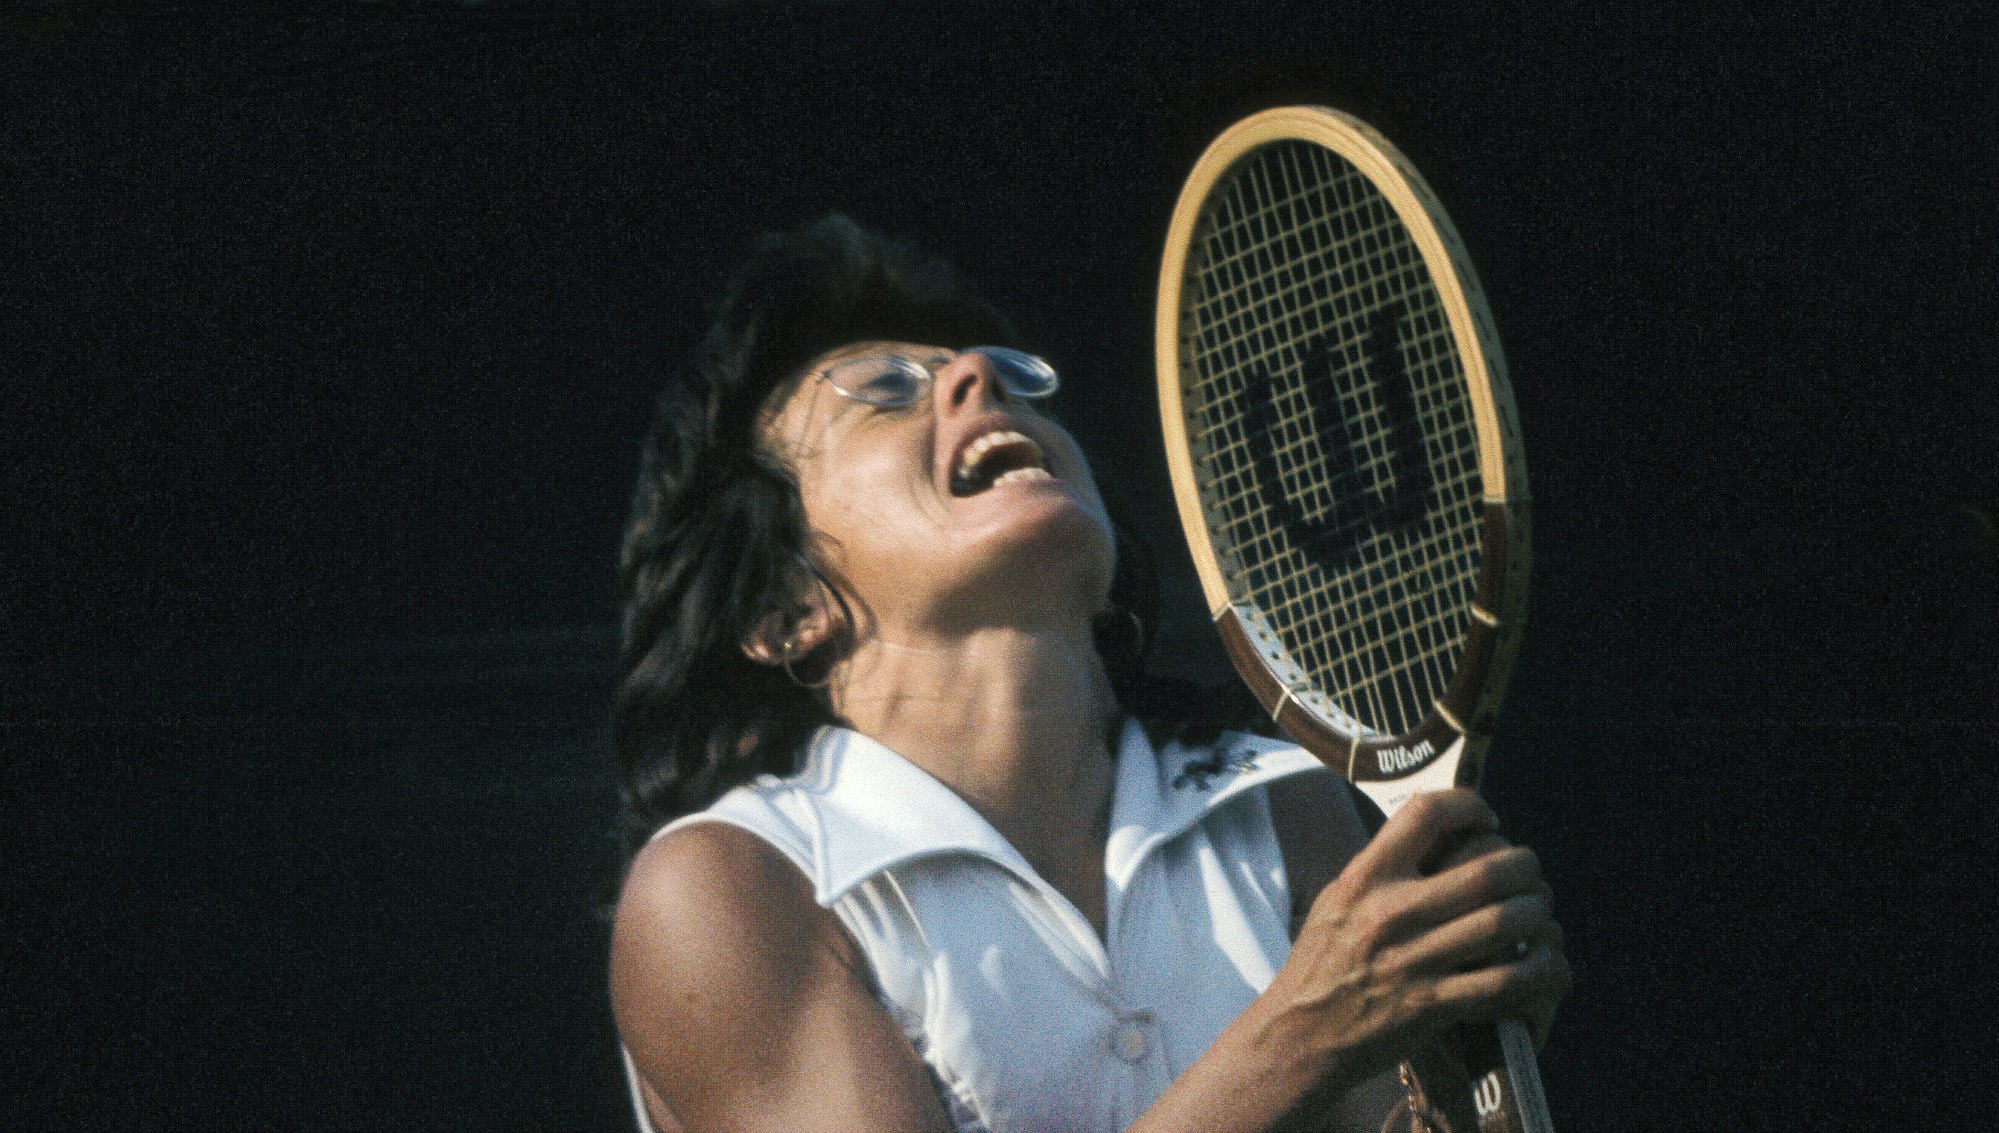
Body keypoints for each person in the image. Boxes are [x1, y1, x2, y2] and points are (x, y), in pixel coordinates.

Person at [608, 215, 1568, 1133]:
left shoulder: (1285, 807)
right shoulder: (727, 891)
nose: (979, 378)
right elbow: (1314, 1036)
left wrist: (1465, 1072)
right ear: (781, 609)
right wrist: (1307, 1035)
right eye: (885, 389)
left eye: (1014, 382)